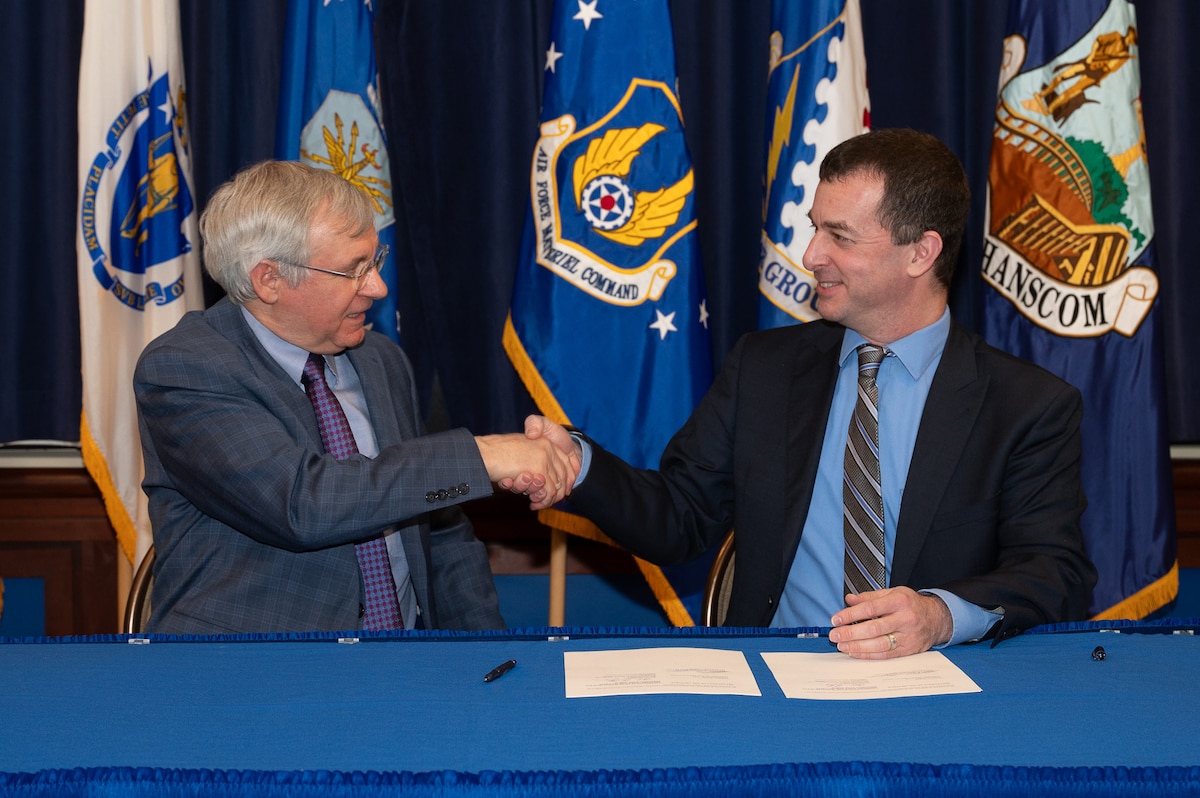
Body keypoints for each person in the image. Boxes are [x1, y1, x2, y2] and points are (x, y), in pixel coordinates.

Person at [517, 129, 1097, 658]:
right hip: (771, 682)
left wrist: (942, 614)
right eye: (816, 226)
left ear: (921, 252)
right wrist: (579, 465)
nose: (811, 255)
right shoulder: (764, 370)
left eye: (839, 236)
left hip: (940, 689)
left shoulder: (1027, 406)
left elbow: (1054, 572)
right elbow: (679, 517)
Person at [134, 160, 578, 635]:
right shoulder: (186, 367)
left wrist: (483, 648)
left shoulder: (380, 360)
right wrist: (482, 454)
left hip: (404, 662)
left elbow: (439, 529)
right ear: (269, 280)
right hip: (253, 675)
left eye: (375, 261)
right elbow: (302, 505)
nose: (378, 287)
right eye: (353, 270)